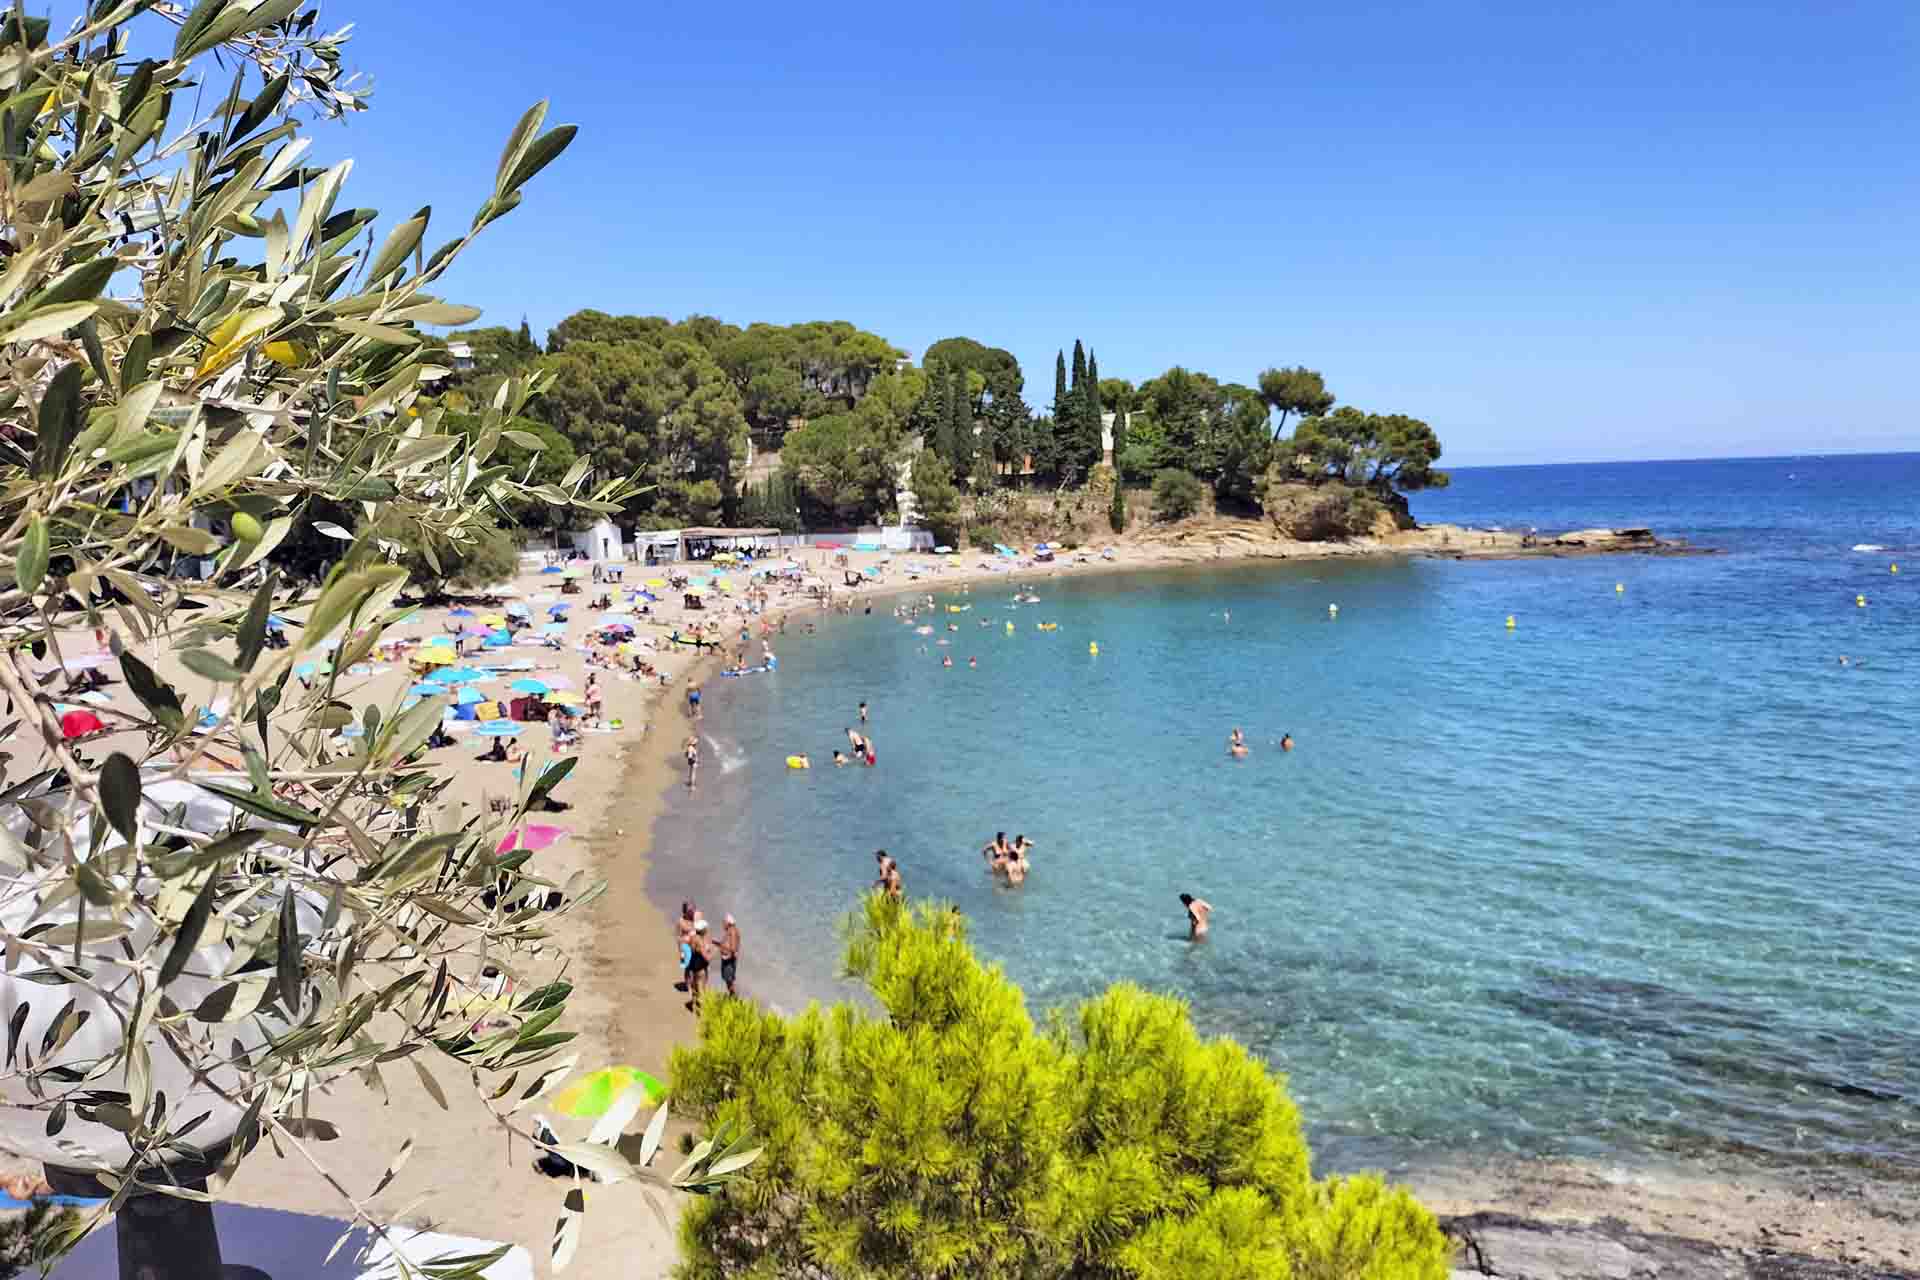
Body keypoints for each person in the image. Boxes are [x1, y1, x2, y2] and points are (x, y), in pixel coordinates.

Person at [686, 918, 712, 1011]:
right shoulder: (700, 941)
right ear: (703, 930)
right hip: (700, 966)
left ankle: (693, 1003)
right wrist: (713, 954)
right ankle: (701, 1009)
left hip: (694, 964)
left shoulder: (693, 937)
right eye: (706, 929)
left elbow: (692, 949)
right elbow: (706, 957)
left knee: (695, 985)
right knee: (702, 987)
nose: (707, 930)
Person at [718, 915, 741, 996]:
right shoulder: (731, 931)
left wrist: (727, 957)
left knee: (729, 981)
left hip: (729, 961)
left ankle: (734, 998)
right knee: (729, 981)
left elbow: (733, 947)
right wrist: (718, 944)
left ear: (728, 923)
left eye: (724, 923)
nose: (723, 925)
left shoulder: (732, 931)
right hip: (729, 960)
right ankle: (733, 997)